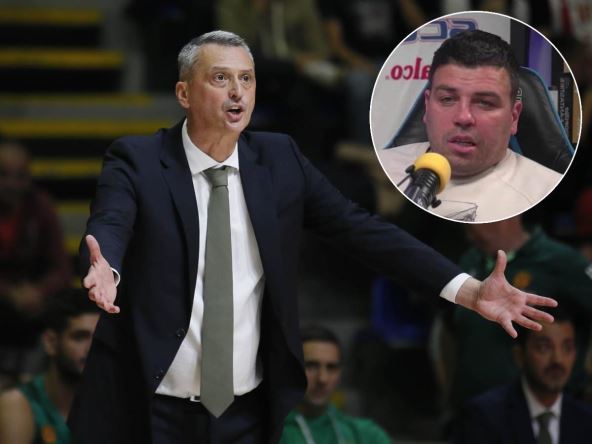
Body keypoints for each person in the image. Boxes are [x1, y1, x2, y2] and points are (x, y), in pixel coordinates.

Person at [69, 30, 556, 444]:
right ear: (183, 93)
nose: (237, 92)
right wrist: (106, 266)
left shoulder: (279, 160)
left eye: (246, 79)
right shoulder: (138, 159)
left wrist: (468, 291)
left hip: (243, 415)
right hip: (148, 410)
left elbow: (361, 230)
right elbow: (112, 220)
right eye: (220, 79)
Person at [377, 29, 563, 222]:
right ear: (427, 106)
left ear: (513, 117)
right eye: (447, 99)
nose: (463, 117)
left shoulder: (545, 193)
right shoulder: (382, 171)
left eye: (485, 103)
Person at [445, 215, 592, 412]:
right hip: (470, 407)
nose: (469, 234)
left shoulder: (564, 262)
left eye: (474, 220)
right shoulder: (469, 260)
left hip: (535, 412)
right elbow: (448, 328)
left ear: (505, 214)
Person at [456, 308, 592, 443]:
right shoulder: (485, 416)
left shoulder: (586, 420)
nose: (558, 360)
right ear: (519, 356)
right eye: (544, 347)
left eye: (567, 348)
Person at [0, 141, 72, 388]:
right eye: (3, 174)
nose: (11, 183)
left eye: (20, 175)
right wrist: (9, 292)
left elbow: (61, 269)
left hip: (33, 304)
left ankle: (36, 386)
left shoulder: (40, 206)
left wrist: (38, 291)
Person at [0, 288, 100, 444]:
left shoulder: (109, 402)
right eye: (80, 337)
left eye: (98, 339)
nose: (91, 348)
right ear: (50, 342)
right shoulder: (19, 404)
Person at [280, 326, 391, 444]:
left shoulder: (365, 434)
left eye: (331, 367)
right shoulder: (274, 434)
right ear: (291, 370)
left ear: (340, 373)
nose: (322, 379)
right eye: (311, 366)